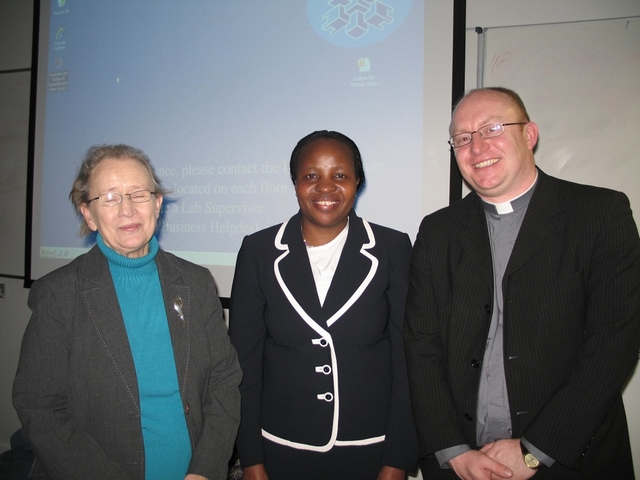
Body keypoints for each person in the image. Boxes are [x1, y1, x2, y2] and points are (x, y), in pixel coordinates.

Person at [404, 86, 640, 480]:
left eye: (492, 128)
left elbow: (614, 343)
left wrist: (536, 451)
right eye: (462, 138)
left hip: (568, 458)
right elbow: (420, 345)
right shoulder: (437, 230)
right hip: (461, 464)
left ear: (529, 135)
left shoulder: (600, 213)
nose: (477, 147)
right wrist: (452, 449)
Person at [13, 144, 242, 480]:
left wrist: (206, 469)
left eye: (138, 194)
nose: (127, 210)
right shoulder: (59, 294)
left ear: (158, 203)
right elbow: (40, 407)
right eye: (109, 197)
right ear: (88, 214)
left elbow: (224, 381)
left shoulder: (195, 282)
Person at [229, 130, 419, 480]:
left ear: (358, 182)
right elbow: (245, 366)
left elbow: (407, 363)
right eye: (311, 176)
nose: (326, 187)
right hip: (280, 451)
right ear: (295, 182)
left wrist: (397, 462)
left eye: (340, 175)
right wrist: (251, 461)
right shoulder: (258, 251)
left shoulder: (392, 249)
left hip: (371, 451)